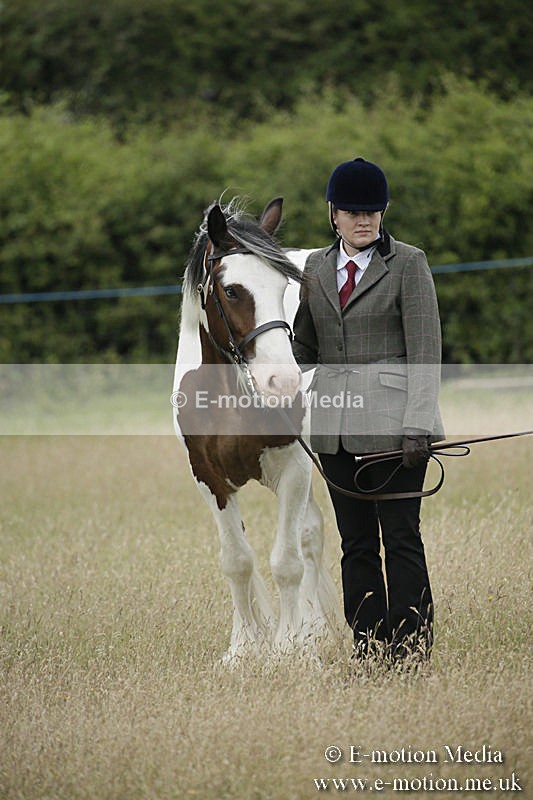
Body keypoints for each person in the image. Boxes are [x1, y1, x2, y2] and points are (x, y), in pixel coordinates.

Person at [292, 157, 444, 663]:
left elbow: (425, 350)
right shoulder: (314, 267)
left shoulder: (409, 263)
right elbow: (304, 348)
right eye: (354, 212)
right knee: (355, 546)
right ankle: (370, 650)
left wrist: (418, 424)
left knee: (401, 539)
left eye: (373, 212)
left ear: (383, 212)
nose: (364, 221)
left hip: (397, 433)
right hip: (334, 432)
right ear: (333, 213)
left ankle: (412, 649)